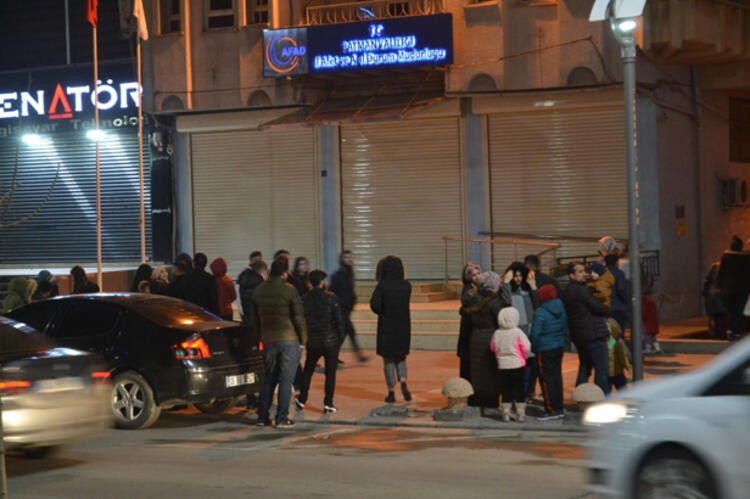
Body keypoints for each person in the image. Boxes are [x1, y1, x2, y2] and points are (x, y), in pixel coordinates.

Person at [249, 258, 308, 428]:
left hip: (267, 340)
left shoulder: (258, 290)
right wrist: (303, 340)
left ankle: (262, 417)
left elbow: (254, 320)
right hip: (289, 340)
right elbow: (298, 317)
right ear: (285, 273)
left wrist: (257, 339)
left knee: (268, 379)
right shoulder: (289, 290)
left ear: (269, 272)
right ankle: (281, 418)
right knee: (285, 380)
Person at [296, 270, 346, 414]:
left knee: (308, 371)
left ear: (309, 282)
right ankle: (328, 403)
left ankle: (302, 399)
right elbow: (340, 322)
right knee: (330, 373)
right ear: (322, 282)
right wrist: (338, 340)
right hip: (331, 342)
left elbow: (301, 320)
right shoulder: (331, 298)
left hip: (313, 342)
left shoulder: (305, 299)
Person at [464, 271, 512, 411]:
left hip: (476, 337)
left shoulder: (472, 298)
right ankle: (491, 402)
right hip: (491, 339)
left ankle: (479, 401)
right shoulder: (495, 302)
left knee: (478, 371)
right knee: (491, 372)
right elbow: (504, 320)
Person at [561, 262, 611, 394]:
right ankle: (601, 398)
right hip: (592, 333)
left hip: (579, 334)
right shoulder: (580, 290)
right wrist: (609, 311)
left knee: (585, 366)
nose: (584, 274)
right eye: (580, 272)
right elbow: (596, 306)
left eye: (584, 271)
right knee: (602, 368)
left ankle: (580, 395)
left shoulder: (568, 290)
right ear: (571, 275)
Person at [370, 255, 412, 403]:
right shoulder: (406, 286)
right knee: (401, 358)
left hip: (386, 327)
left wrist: (382, 310)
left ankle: (391, 392)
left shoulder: (382, 285)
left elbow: (374, 305)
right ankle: (404, 381)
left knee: (388, 360)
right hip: (403, 326)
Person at [529, 284, 567, 421]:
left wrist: (533, 347)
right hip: (558, 346)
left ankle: (551, 409)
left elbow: (535, 334)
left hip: (544, 349)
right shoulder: (561, 308)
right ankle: (559, 407)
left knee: (546, 380)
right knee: (556, 378)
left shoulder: (540, 312)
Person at [490, 307, 531, 423]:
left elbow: (493, 348)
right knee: (519, 389)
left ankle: (506, 413)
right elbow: (526, 347)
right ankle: (520, 413)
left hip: (502, 365)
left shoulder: (497, 333)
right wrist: (525, 356)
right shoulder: (518, 332)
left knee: (505, 389)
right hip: (517, 364)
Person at [329, 250, 367, 363]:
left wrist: (353, 299)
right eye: (346, 257)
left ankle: (333, 356)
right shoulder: (338, 274)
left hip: (346, 308)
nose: (349, 259)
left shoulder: (349, 272)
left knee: (344, 333)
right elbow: (332, 291)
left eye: (350, 257)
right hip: (341, 308)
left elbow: (349, 290)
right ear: (342, 259)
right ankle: (358, 356)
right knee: (349, 331)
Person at [716, 236, 750, 340]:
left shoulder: (726, 257)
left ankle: (730, 331)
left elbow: (720, 274)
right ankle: (738, 331)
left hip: (728, 290)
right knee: (739, 312)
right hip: (742, 290)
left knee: (731, 311)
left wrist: (721, 287)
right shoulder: (746, 257)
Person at [458, 262, 481, 395]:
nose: (477, 277)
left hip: (475, 328)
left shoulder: (481, 288)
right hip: (468, 329)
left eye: (478, 274)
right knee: (467, 363)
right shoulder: (468, 290)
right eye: (473, 275)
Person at [702, 261, 727, 339]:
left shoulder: (714, 267)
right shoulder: (726, 270)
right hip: (722, 297)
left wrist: (705, 294)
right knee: (722, 318)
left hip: (712, 297)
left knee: (716, 318)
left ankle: (717, 334)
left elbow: (706, 282)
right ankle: (721, 335)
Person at [607, 318, 631, 392]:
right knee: (622, 389)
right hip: (617, 371)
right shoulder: (617, 343)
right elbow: (622, 356)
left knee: (607, 390)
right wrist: (627, 366)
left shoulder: (604, 343)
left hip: (607, 372)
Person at [642, 289, 662, 354]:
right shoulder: (652, 302)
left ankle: (648, 349)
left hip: (648, 323)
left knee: (647, 336)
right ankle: (657, 348)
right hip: (653, 323)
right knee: (653, 337)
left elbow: (644, 313)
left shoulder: (645, 302)